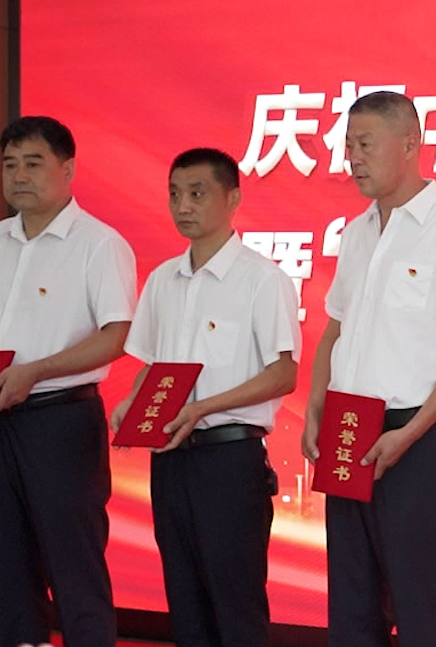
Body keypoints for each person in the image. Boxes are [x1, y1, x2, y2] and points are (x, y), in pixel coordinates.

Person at [302, 91, 436, 647]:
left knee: (418, 603)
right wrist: (315, 407)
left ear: (410, 144)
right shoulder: (356, 232)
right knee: (352, 602)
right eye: (348, 146)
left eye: (365, 144)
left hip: (414, 439)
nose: (353, 158)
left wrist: (410, 433)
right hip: (348, 432)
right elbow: (335, 330)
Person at [0, 116, 136, 647]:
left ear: (67, 169)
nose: (19, 176)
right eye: (10, 165)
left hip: (60, 419)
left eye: (33, 163)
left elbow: (117, 336)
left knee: (74, 560)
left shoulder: (98, 243)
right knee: (7, 560)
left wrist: (37, 371)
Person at [111, 148, 299, 647]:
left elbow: (283, 374)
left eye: (197, 194)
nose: (183, 206)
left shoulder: (262, 279)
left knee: (236, 606)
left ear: (233, 198)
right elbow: (152, 366)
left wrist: (200, 409)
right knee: (185, 602)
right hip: (170, 461)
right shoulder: (162, 280)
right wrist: (132, 403)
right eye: (175, 194)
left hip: (228, 460)